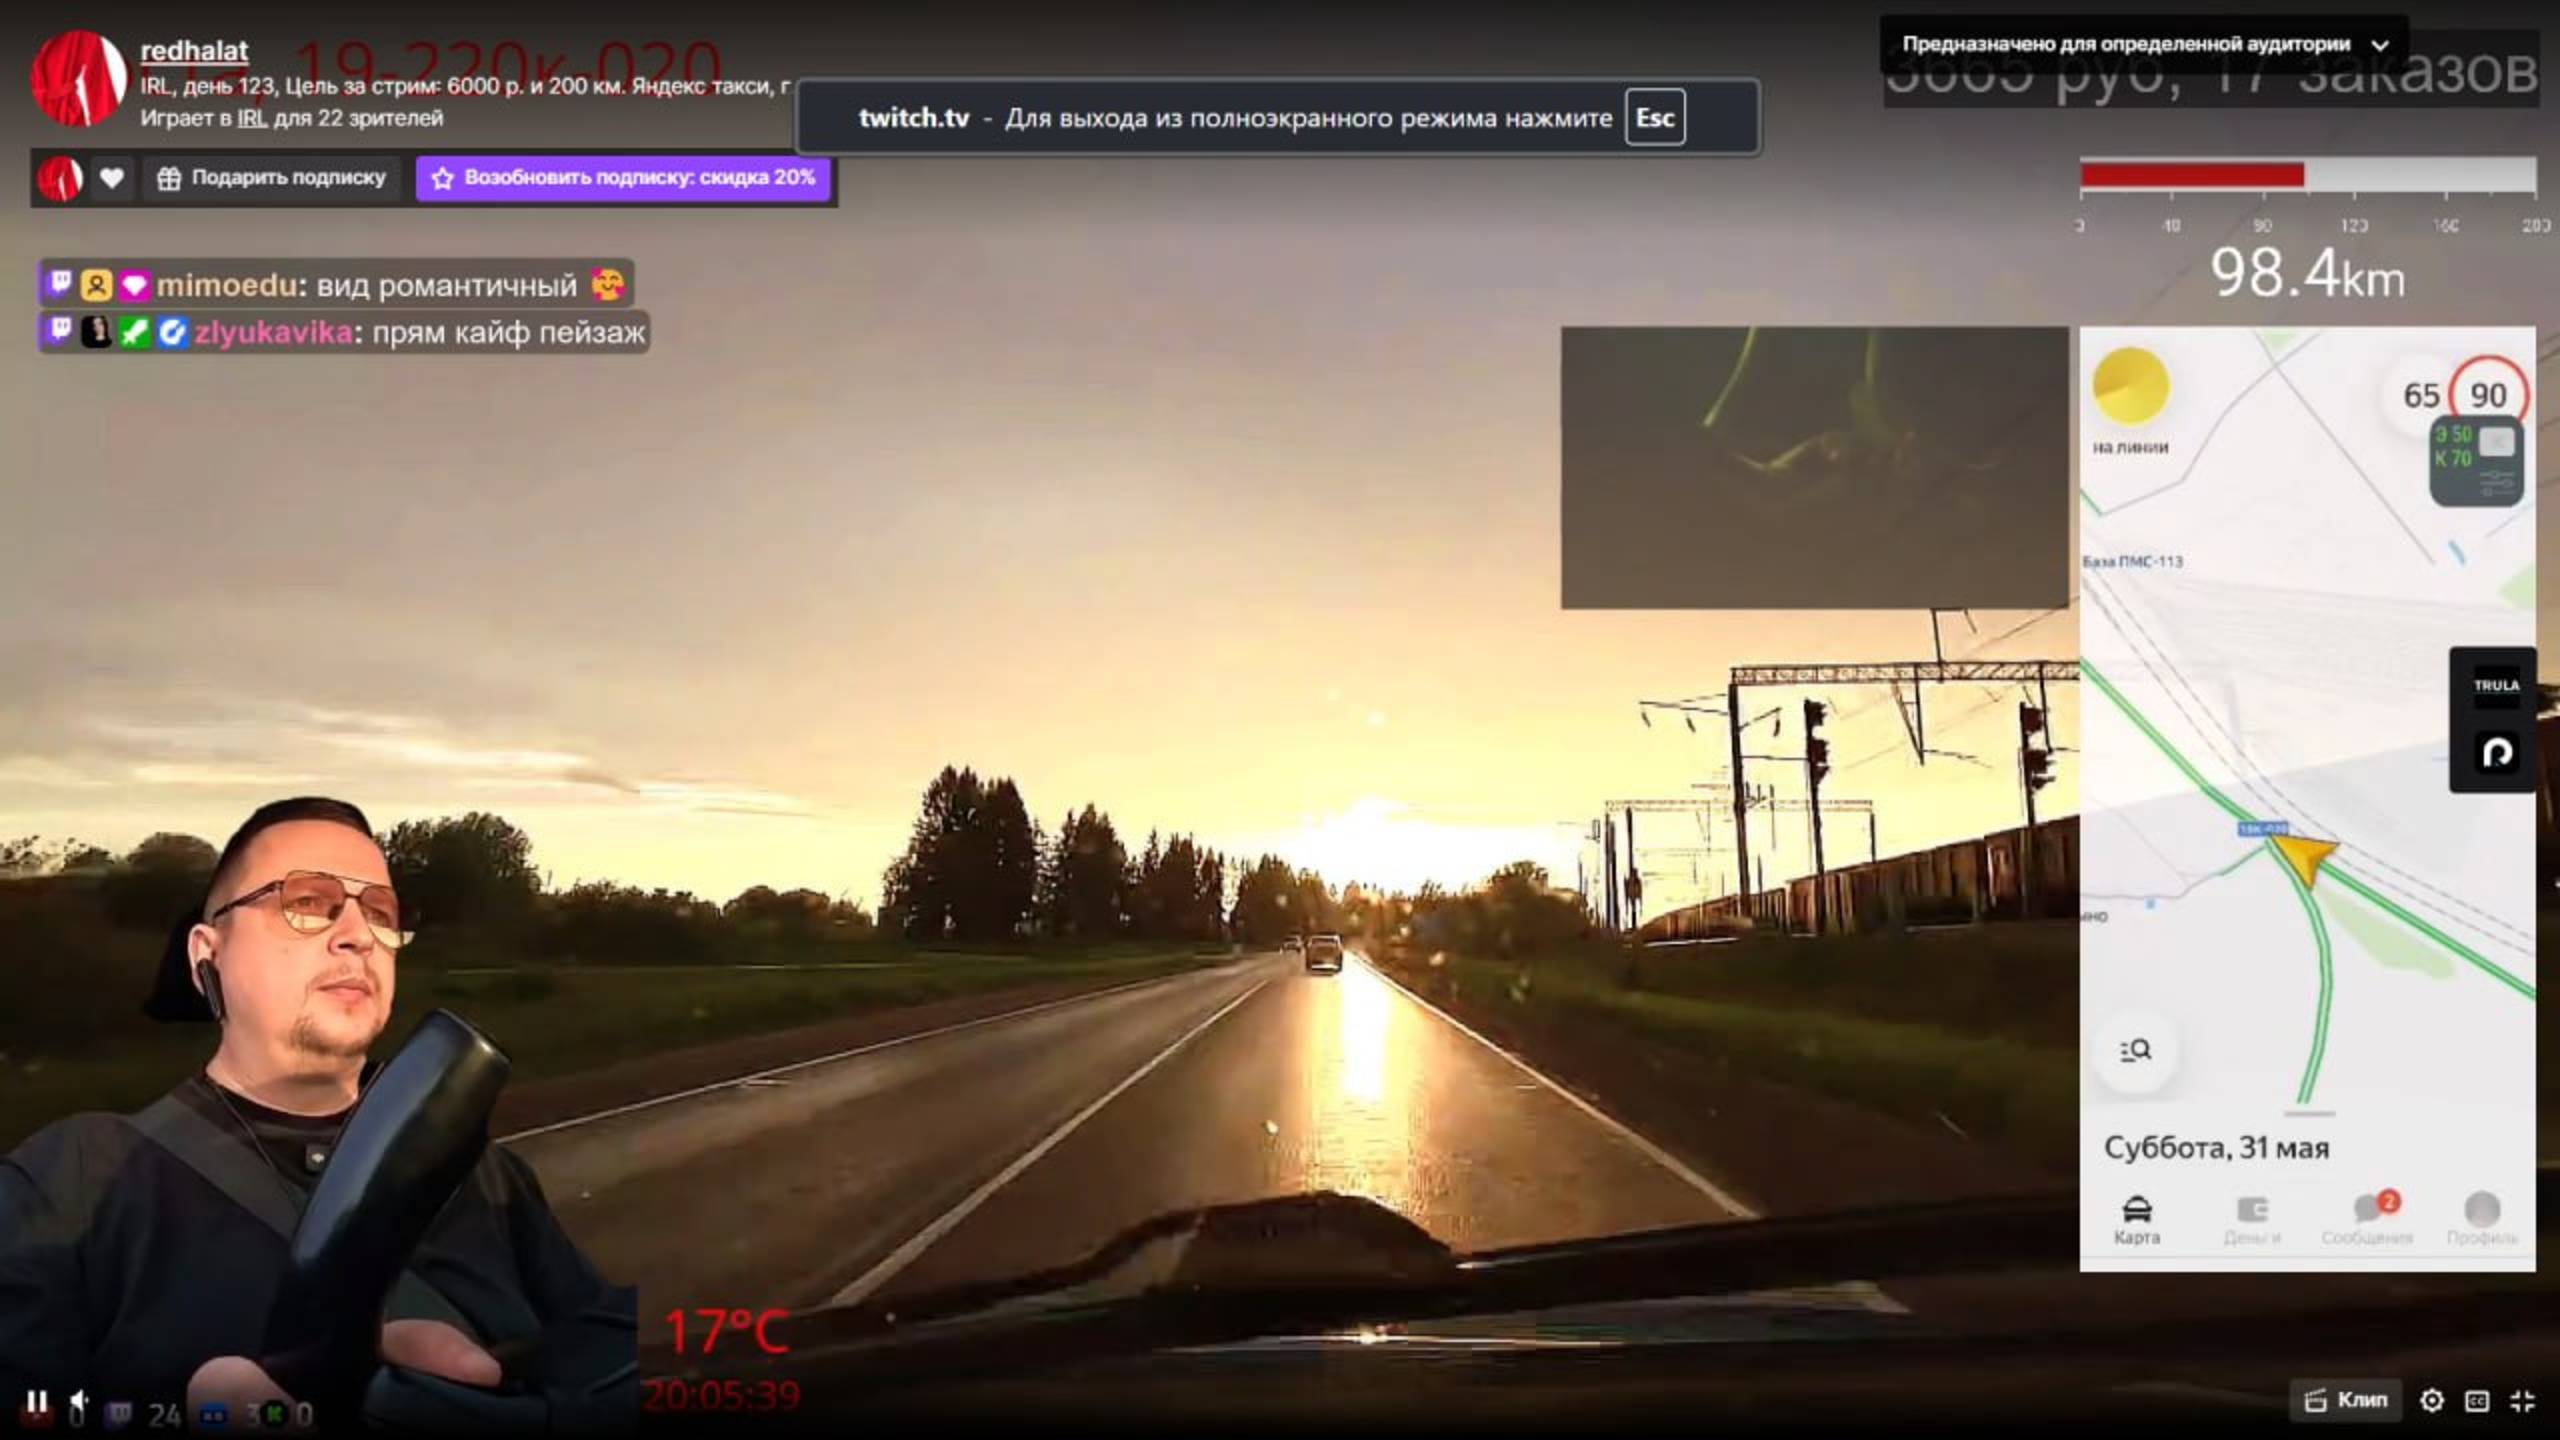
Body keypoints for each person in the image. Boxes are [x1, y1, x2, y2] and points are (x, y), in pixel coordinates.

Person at [0, 797, 634, 1426]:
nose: (359, 935)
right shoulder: (72, 1181)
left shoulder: (485, 1174)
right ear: (206, 954)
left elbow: (605, 1350)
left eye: (381, 913)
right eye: (306, 901)